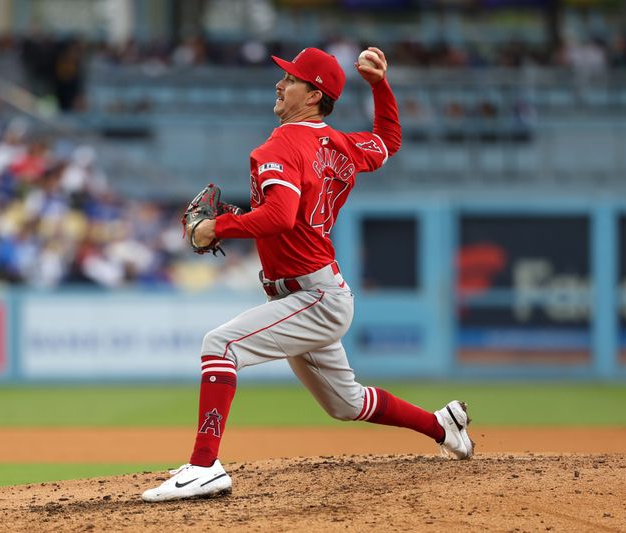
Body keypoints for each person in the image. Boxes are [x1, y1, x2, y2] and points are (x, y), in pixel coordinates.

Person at [142, 46, 474, 503]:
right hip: (315, 292)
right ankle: (442, 425)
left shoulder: (280, 145)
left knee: (219, 345)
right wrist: (380, 86)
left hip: (312, 295)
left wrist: (216, 227)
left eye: (291, 79)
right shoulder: (341, 145)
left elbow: (279, 216)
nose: (281, 84)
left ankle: (204, 466)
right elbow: (387, 141)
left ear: (314, 94)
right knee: (347, 403)